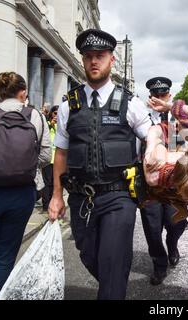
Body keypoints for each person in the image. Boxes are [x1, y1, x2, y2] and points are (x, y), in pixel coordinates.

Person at [48, 29, 152, 300]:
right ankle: (112, 285)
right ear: (82, 60)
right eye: (89, 56)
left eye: (100, 56)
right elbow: (61, 153)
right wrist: (57, 196)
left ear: (111, 60)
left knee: (113, 261)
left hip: (119, 196)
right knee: (88, 254)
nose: (94, 61)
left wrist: (157, 147)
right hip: (81, 199)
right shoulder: (68, 105)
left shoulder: (131, 102)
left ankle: (112, 289)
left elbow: (151, 132)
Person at [0, 72, 51, 300]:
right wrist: (23, 166)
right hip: (22, 193)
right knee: (4, 256)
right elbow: (46, 155)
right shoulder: (35, 116)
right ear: (23, 92)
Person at [139, 77, 188, 286]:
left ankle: (172, 243)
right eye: (155, 95)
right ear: (150, 97)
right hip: (150, 184)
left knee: (177, 222)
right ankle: (159, 264)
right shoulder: (140, 117)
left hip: (174, 183)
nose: (159, 98)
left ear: (169, 95)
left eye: (163, 94)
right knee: (152, 228)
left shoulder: (178, 117)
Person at [41, 105, 59, 211]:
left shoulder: (61, 126)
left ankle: (53, 202)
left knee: (55, 182)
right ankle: (45, 204)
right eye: (55, 113)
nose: (56, 116)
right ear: (51, 113)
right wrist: (50, 125)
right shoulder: (47, 124)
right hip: (48, 159)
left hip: (57, 160)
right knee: (47, 183)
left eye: (58, 114)